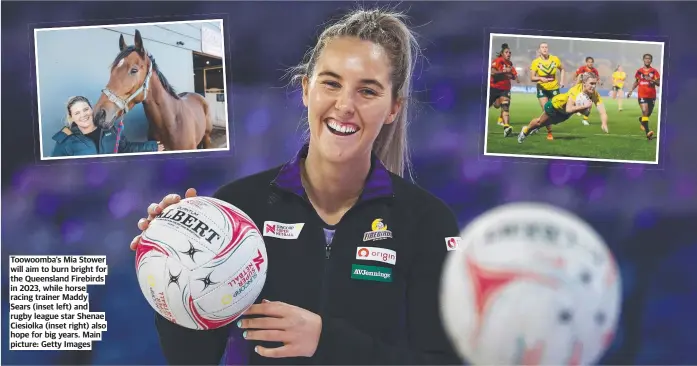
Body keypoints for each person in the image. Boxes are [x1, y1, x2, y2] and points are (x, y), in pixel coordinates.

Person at [130, 8, 462, 365]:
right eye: (331, 83)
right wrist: (171, 275)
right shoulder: (239, 210)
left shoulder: (426, 222)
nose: (345, 106)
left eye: (367, 91)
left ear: (394, 108)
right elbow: (192, 361)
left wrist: (325, 341)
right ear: (306, 89)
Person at [51, 95, 163, 156]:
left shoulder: (111, 129)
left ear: (92, 109)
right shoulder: (65, 141)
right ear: (72, 117)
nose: (83, 115)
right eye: (77, 113)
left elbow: (125, 149)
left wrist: (152, 147)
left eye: (85, 109)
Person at [518, 72, 608, 144]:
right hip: (555, 106)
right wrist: (584, 107)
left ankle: (534, 128)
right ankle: (525, 130)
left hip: (564, 114)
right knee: (539, 122)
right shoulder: (575, 91)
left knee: (545, 123)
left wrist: (604, 123)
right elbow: (569, 108)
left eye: (595, 84)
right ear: (584, 83)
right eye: (591, 83)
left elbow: (602, 112)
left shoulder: (595, 94)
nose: (594, 86)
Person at [529, 42, 565, 140]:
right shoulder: (535, 62)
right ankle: (549, 133)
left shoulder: (555, 59)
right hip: (542, 89)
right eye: (542, 47)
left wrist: (562, 81)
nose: (544, 49)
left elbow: (562, 69)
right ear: (539, 50)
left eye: (546, 47)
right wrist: (540, 78)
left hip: (554, 88)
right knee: (546, 110)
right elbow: (532, 78)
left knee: (556, 110)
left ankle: (537, 125)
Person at [627, 54, 660, 141]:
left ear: (651, 60)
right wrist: (631, 90)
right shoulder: (639, 71)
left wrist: (651, 80)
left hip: (652, 96)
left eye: (649, 59)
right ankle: (648, 133)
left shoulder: (654, 71)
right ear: (643, 60)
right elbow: (637, 81)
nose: (647, 60)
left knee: (647, 114)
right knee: (645, 111)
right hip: (642, 95)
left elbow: (659, 83)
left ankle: (642, 120)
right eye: (646, 58)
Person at [489, 43, 519, 137]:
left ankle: (506, 127)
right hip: (493, 88)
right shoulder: (498, 61)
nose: (509, 54)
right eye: (507, 52)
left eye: (510, 52)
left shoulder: (510, 64)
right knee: (493, 106)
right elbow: (492, 72)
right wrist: (504, 72)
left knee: (505, 106)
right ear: (502, 53)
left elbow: (515, 78)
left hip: (505, 89)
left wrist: (511, 75)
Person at [573, 56, 600, 126]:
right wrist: (576, 83)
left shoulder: (594, 70)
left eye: (591, 62)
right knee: (578, 100)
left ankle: (585, 119)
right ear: (586, 62)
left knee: (590, 104)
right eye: (589, 62)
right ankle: (577, 108)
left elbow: (597, 78)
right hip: (581, 88)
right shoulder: (582, 69)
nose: (590, 63)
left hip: (589, 90)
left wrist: (599, 82)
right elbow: (576, 75)